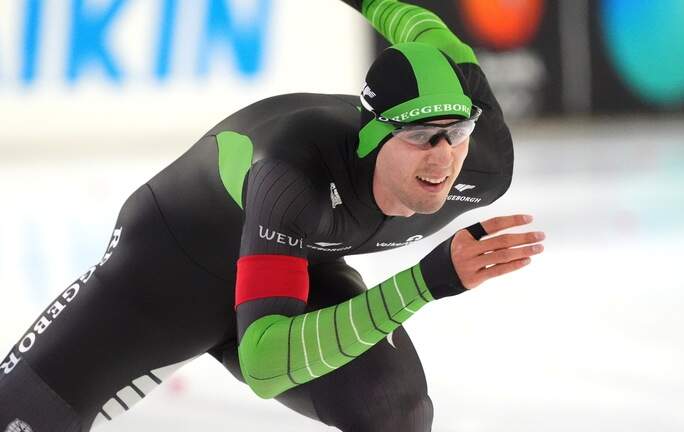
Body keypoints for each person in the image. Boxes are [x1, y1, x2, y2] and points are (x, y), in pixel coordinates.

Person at [0, 0, 545, 431]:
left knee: (394, 407)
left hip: (292, 265)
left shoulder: (486, 163)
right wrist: (425, 283)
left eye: (457, 134)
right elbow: (264, 364)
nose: (445, 157)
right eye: (422, 137)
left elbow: (423, 27)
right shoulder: (292, 175)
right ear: (375, 136)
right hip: (169, 270)